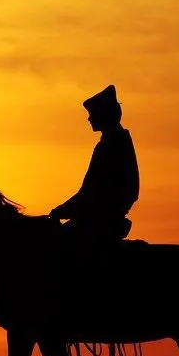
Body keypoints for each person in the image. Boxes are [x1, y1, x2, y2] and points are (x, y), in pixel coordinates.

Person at [49, 84, 140, 251]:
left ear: (103, 115)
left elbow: (91, 192)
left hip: (99, 221)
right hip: (102, 219)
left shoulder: (111, 145)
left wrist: (61, 211)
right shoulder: (116, 141)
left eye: (92, 114)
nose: (89, 119)